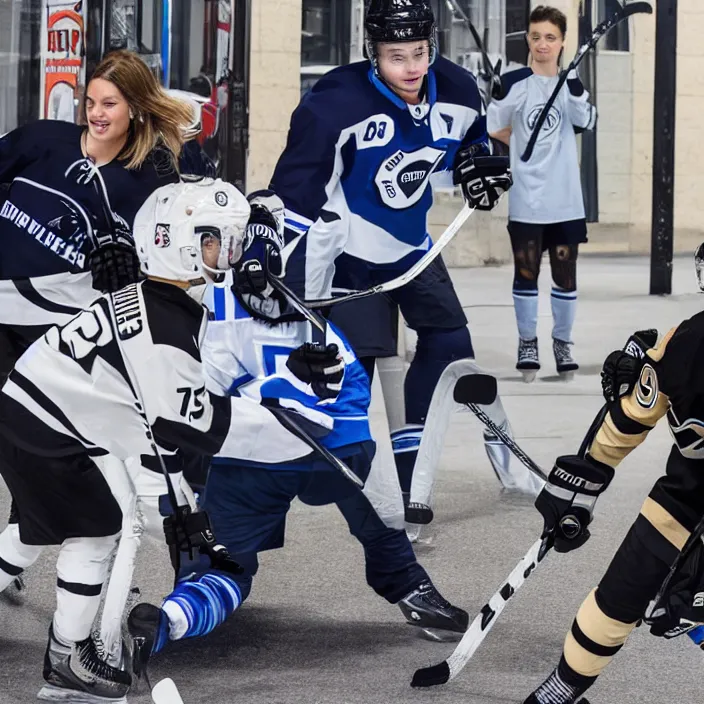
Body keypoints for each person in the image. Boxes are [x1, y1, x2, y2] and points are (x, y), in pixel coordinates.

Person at [126, 191, 469, 667]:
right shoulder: (314, 255)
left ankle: (173, 618)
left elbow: (195, 407)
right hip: (336, 440)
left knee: (219, 561)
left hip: (257, 452)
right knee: (382, 520)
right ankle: (412, 589)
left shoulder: (201, 298)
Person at [0, 178, 253, 701]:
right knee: (96, 528)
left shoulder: (153, 298)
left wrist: (179, 503)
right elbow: (194, 427)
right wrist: (287, 419)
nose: (226, 253)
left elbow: (142, 418)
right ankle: (68, 659)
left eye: (232, 240)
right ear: (180, 244)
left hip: (37, 412)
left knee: (33, 529)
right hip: (51, 423)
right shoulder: (165, 323)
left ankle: (68, 656)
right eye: (214, 241)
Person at [269, 0, 514, 510]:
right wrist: (275, 265)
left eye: (420, 53)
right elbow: (292, 197)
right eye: (396, 56)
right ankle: (318, 473)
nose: (411, 69)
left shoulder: (459, 91)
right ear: (372, 53)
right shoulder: (332, 104)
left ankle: (411, 479)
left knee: (450, 344)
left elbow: (469, 148)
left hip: (412, 251)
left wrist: (480, 168)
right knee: (349, 374)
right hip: (347, 259)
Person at [0, 48, 201, 604]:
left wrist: (129, 269)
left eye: (109, 103)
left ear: (136, 108)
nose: (95, 112)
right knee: (43, 466)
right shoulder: (41, 139)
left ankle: (60, 564)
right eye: (90, 101)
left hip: (58, 341)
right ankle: (47, 558)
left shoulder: (152, 181)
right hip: (2, 320)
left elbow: (174, 264)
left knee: (55, 466)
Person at [521, 313, 704, 703]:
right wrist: (586, 478)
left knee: (692, 606)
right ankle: (562, 689)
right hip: (684, 498)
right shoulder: (685, 340)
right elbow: (632, 418)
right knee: (619, 594)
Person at [487, 6, 597, 383]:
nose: (542, 44)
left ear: (562, 41)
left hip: (565, 201)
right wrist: (515, 142)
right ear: (528, 41)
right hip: (527, 201)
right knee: (526, 272)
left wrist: (577, 88)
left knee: (566, 276)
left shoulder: (570, 84)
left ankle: (562, 344)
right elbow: (491, 123)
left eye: (550, 37)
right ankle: (527, 343)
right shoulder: (517, 82)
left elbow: (585, 121)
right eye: (536, 37)